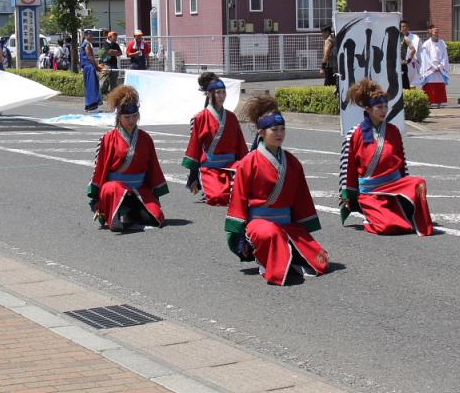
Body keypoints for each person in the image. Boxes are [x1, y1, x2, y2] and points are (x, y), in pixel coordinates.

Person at [225, 94, 329, 286]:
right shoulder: (249, 162)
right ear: (262, 132)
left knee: (320, 261)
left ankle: (288, 256)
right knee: (271, 234)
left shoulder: (292, 162)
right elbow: (237, 198)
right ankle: (266, 259)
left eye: (282, 129)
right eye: (274, 129)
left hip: (286, 222)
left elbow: (301, 198)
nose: (280, 133)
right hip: (260, 224)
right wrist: (239, 236)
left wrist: (304, 228)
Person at [340, 79, 434, 235]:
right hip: (371, 192)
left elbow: (402, 164)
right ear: (368, 109)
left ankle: (405, 211)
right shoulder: (354, 134)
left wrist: (407, 192)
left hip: (393, 188)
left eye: (385, 107)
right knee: (388, 227)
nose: (384, 111)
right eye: (379, 107)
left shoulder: (393, 131)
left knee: (418, 183)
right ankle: (369, 217)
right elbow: (348, 169)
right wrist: (348, 198)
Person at [87, 85, 168, 231]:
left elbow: (153, 168)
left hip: (138, 189)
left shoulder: (145, 138)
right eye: (127, 117)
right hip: (115, 188)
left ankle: (134, 211)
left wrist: (154, 196)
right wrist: (95, 200)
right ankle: (115, 213)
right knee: (114, 189)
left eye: (134, 116)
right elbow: (99, 169)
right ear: (119, 117)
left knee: (157, 217)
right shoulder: (108, 139)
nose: (131, 120)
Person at [182, 73, 248, 205]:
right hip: (210, 167)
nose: (222, 96)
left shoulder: (231, 117)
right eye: (218, 92)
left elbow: (240, 144)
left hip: (231, 166)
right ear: (209, 94)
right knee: (218, 197)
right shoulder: (200, 118)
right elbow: (195, 147)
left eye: (224, 92)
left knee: (243, 195)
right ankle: (204, 183)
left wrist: (246, 165)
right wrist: (193, 175)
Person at [417, 23, 449, 108]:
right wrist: (433, 67)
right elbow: (425, 57)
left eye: (438, 32)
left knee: (440, 85)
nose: (437, 34)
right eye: (435, 32)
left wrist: (441, 65)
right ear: (431, 32)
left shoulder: (442, 43)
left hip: (440, 68)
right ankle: (429, 102)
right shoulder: (426, 44)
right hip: (430, 68)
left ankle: (439, 102)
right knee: (429, 85)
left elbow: (444, 55)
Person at [79, 32, 101, 112]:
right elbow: (89, 56)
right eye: (90, 35)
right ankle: (92, 105)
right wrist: (96, 66)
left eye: (92, 35)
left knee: (89, 85)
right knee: (92, 85)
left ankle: (89, 105)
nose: (92, 36)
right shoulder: (87, 44)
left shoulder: (84, 44)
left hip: (86, 66)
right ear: (86, 36)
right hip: (89, 66)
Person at [399, 20, 421, 89]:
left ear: (408, 28)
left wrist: (408, 60)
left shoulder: (412, 38)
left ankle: (411, 98)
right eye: (402, 26)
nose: (404, 28)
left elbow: (414, 50)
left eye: (405, 26)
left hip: (410, 63)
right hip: (398, 64)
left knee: (410, 84)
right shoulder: (397, 37)